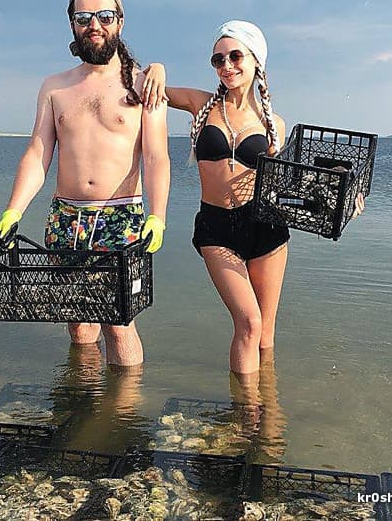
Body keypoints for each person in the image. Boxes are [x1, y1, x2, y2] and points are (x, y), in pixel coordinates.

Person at [143, 21, 364, 375]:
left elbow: (288, 187)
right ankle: (246, 407)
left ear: (256, 60)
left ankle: (268, 404)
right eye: (218, 59)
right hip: (216, 228)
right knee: (248, 322)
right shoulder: (201, 104)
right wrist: (157, 68)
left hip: (265, 227)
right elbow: (147, 87)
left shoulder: (275, 123)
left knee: (265, 335)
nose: (226, 66)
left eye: (235, 56)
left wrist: (344, 199)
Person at [0, 0, 170, 367]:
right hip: (66, 217)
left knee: (118, 322)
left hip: (120, 216)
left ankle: (125, 403)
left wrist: (158, 216)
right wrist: (13, 210)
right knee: (76, 319)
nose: (94, 25)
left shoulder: (144, 85)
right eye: (84, 17)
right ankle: (85, 393)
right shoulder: (55, 87)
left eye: (104, 16)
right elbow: (38, 152)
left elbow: (157, 157)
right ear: (73, 25)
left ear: (120, 22)